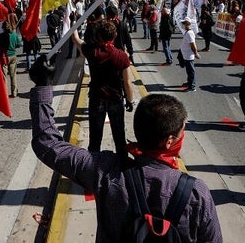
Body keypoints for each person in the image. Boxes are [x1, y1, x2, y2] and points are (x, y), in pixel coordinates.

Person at [28, 56, 223, 242]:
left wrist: (43, 85)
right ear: (169, 142)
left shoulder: (106, 171)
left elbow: (47, 143)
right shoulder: (197, 192)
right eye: (182, 131)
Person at [71, 20, 134, 161]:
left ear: (98, 35)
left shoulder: (92, 51)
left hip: (96, 99)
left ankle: (93, 169)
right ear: (114, 36)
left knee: (95, 138)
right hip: (116, 100)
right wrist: (130, 100)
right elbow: (127, 82)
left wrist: (73, 22)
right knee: (119, 136)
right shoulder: (121, 56)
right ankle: (122, 165)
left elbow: (76, 39)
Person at [0, 20, 22, 98]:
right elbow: (18, 45)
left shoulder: (1, 36)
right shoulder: (14, 35)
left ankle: (4, 94)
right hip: (13, 56)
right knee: (13, 75)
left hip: (4, 57)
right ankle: (14, 93)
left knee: (4, 76)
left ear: (3, 28)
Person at [179, 19, 200, 92]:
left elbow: (193, 45)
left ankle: (192, 86)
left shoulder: (189, 33)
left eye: (184, 23)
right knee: (188, 71)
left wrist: (196, 53)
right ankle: (189, 83)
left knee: (191, 71)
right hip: (186, 55)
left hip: (189, 56)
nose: (183, 25)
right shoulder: (187, 32)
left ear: (187, 24)